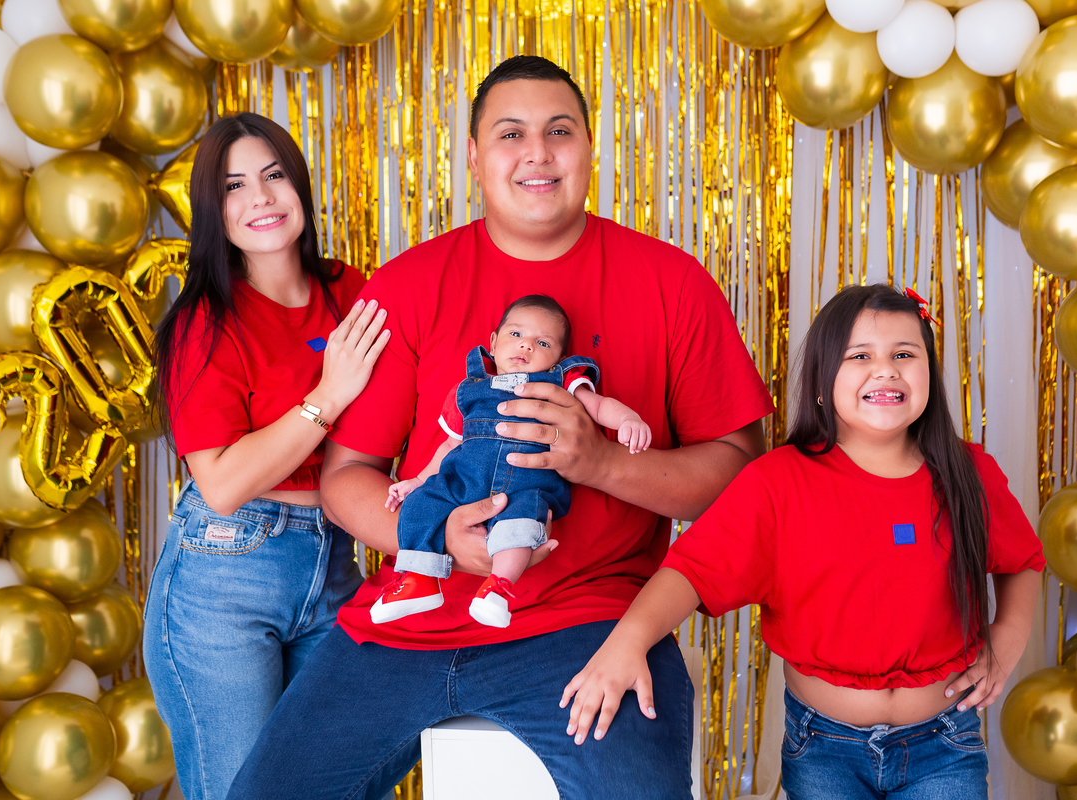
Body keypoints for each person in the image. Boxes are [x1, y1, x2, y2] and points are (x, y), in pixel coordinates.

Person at [225, 55, 773, 800]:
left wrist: (601, 463)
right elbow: (346, 478)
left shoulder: (672, 283)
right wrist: (434, 539)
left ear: (590, 148)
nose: (537, 153)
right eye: (511, 134)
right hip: (410, 618)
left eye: (559, 131)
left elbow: (742, 478)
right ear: (475, 157)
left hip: (589, 625)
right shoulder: (409, 284)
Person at [561, 284, 1044, 799]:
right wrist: (627, 643)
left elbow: (1022, 560)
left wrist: (1007, 641)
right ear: (822, 380)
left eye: (905, 354)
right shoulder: (778, 483)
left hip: (944, 744)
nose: (885, 370)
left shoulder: (969, 473)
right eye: (860, 356)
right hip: (824, 749)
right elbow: (691, 572)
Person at [141, 112, 390, 800]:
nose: (261, 198)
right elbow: (222, 484)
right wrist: (328, 395)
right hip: (226, 574)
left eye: (274, 175)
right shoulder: (203, 321)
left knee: (342, 779)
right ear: (212, 211)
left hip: (335, 561)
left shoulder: (350, 290)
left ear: (299, 186)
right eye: (234, 186)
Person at [377, 294, 652, 628]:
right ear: (493, 343)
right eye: (516, 334)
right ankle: (419, 579)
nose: (526, 346)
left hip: (526, 484)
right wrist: (419, 480)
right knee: (421, 505)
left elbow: (599, 405)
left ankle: (498, 587)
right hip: (465, 480)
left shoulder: (560, 381)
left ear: (558, 358)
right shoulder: (469, 388)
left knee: (519, 527)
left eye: (543, 342)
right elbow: (451, 443)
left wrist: (627, 420)